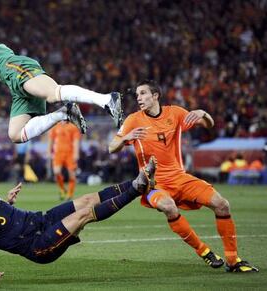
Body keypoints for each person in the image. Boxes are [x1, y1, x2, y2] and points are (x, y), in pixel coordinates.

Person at [108, 80, 258, 273]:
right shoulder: (133, 120)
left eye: (143, 93)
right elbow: (112, 147)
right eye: (137, 95)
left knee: (222, 205)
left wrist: (203, 113)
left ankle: (232, 260)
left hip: (180, 177)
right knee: (167, 206)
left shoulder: (176, 113)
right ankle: (204, 251)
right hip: (154, 184)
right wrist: (125, 139)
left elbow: (208, 125)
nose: (139, 98)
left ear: (155, 96)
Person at [0, 155, 157, 283]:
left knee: (86, 199)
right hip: (39, 246)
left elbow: (1, 222)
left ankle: (138, 179)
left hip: (42, 220)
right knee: (83, 215)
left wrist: (9, 202)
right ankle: (137, 189)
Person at [48, 121, 81, 200]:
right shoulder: (55, 126)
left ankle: (70, 194)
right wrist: (49, 151)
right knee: (56, 172)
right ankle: (62, 189)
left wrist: (76, 153)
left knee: (71, 174)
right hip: (58, 153)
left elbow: (76, 141)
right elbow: (51, 139)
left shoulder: (73, 127)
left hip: (70, 153)